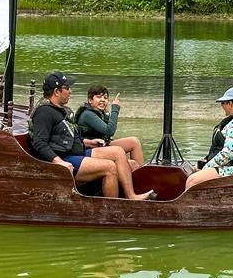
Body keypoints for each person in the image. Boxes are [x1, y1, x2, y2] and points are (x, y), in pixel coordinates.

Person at [29, 71, 154, 201]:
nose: (70, 91)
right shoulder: (44, 113)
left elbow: (64, 137)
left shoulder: (59, 109)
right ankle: (114, 210)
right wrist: (59, 162)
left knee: (118, 151)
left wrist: (87, 142)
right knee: (110, 167)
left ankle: (132, 195)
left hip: (76, 152)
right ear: (56, 92)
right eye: (67, 88)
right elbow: (40, 143)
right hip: (65, 158)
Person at [185, 87, 233, 190]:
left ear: (230, 103)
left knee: (192, 180)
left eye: (223, 103)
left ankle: (188, 204)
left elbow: (227, 154)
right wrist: (203, 163)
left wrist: (207, 167)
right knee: (189, 170)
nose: (222, 106)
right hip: (232, 163)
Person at [75, 85, 144, 170]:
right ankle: (140, 178)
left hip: (102, 145)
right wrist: (115, 109)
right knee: (132, 164)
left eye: (105, 98)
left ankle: (143, 175)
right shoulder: (87, 114)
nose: (103, 100)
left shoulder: (100, 113)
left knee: (134, 141)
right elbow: (109, 131)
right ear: (90, 100)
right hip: (90, 149)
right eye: (98, 97)